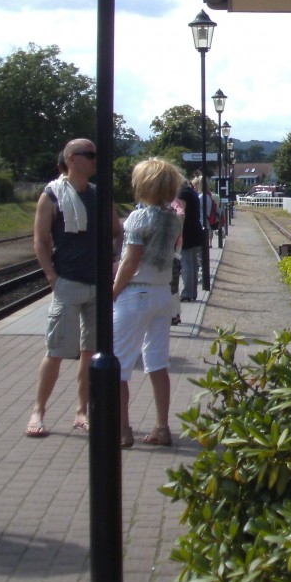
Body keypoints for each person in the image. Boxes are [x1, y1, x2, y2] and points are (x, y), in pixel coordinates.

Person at [25, 138, 123, 438]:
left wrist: (114, 262)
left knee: (89, 352)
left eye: (97, 154)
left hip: (97, 285)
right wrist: (52, 277)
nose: (95, 159)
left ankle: (82, 412)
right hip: (67, 281)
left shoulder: (100, 195)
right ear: (71, 158)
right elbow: (40, 241)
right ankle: (38, 411)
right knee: (55, 350)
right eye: (89, 155)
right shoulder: (51, 196)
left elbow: (119, 232)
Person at [111, 158, 184, 449]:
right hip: (162, 294)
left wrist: (114, 291)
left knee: (118, 364)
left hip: (136, 293)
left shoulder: (137, 218)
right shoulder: (173, 217)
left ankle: (122, 429)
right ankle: (161, 427)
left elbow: (130, 262)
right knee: (157, 361)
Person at [176, 177, 203, 303]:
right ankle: (193, 292)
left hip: (186, 232)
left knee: (186, 264)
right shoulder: (193, 193)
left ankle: (187, 293)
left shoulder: (182, 195)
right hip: (196, 231)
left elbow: (181, 213)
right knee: (193, 263)